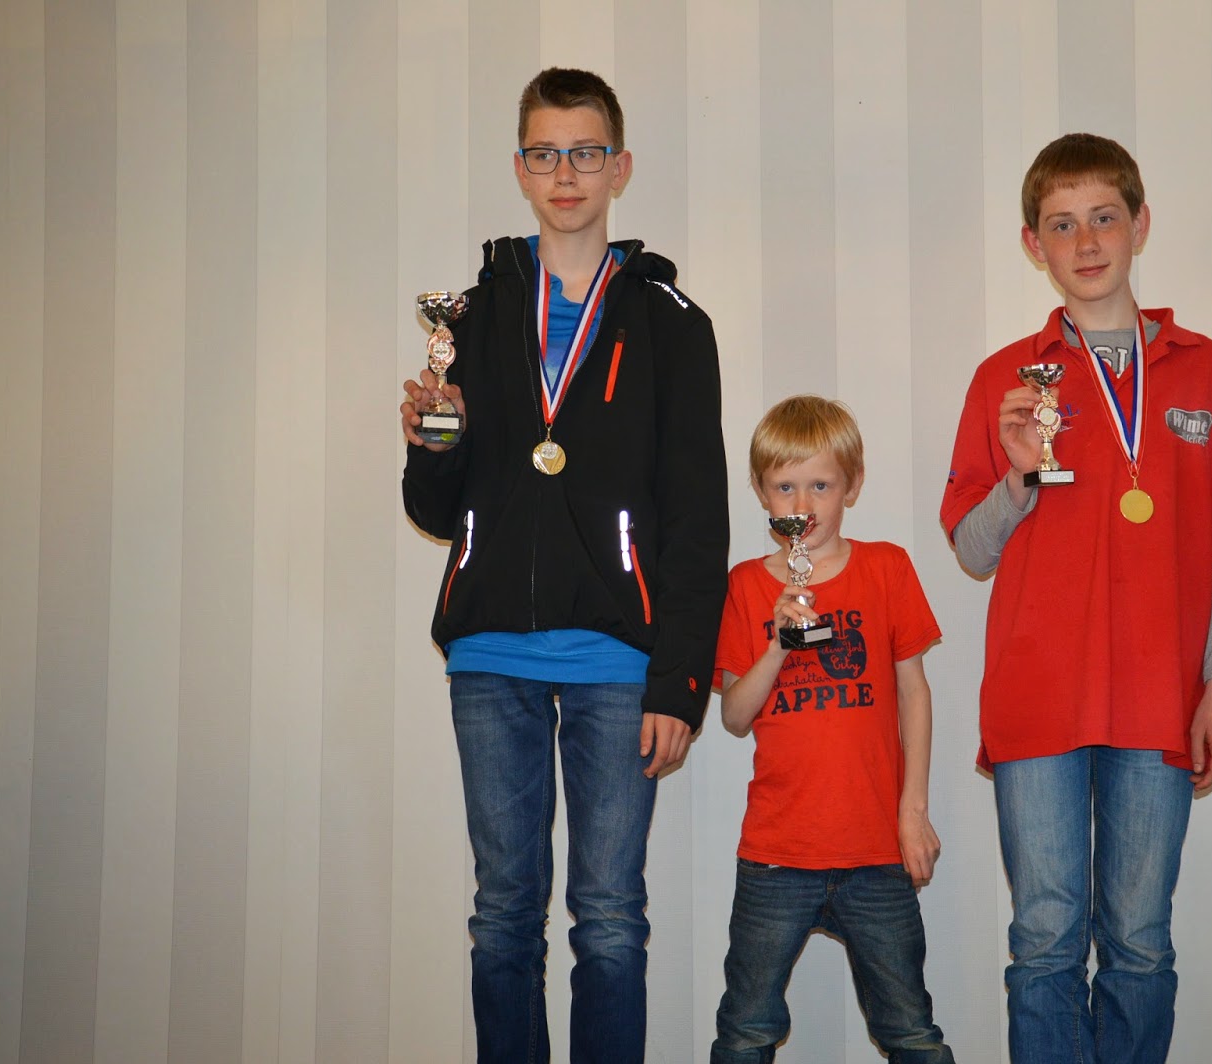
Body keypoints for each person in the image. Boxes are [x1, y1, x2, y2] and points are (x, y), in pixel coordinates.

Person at [400, 67, 729, 1064]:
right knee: (503, 914)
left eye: (586, 151)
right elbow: (433, 511)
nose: (566, 173)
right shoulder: (468, 318)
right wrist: (431, 445)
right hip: (489, 653)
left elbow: (698, 520)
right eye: (545, 153)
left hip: (619, 665)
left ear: (619, 167)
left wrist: (680, 680)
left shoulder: (672, 322)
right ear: (520, 169)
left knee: (610, 917)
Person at [939, 133, 1212, 1063]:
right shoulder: (1007, 381)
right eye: (1061, 225)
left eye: (1103, 218)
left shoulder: (1208, 371)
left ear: (1140, 225)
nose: (1085, 241)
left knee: (1138, 941)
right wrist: (1018, 476)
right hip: (1038, 698)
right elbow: (971, 549)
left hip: (1160, 697)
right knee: (1044, 942)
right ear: (1032, 245)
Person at [710, 395, 955, 1063]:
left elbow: (914, 693)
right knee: (746, 1031)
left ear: (852, 484)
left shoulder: (887, 567)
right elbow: (733, 715)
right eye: (785, 486)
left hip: (876, 851)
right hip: (776, 853)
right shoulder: (745, 585)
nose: (804, 503)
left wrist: (913, 811)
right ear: (761, 490)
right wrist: (777, 645)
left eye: (821, 485)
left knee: (911, 1031)